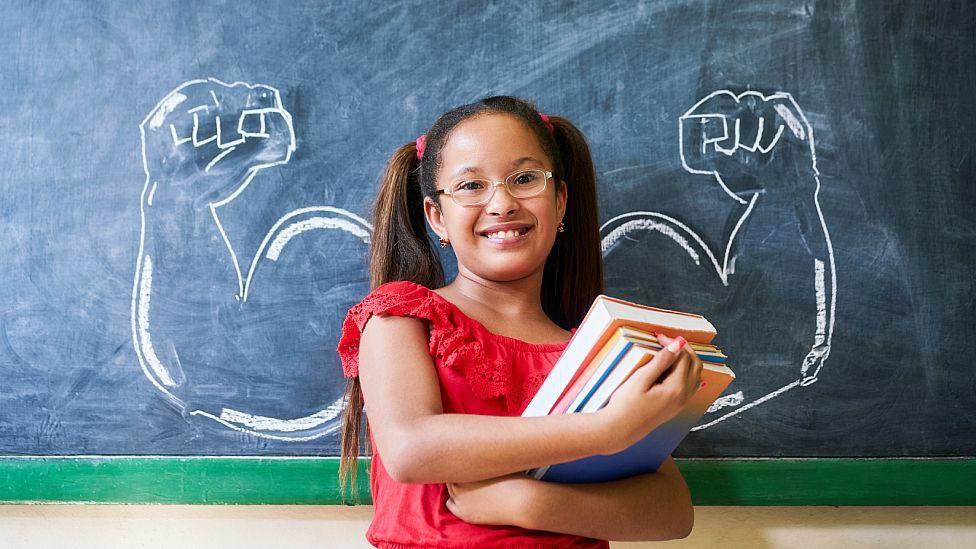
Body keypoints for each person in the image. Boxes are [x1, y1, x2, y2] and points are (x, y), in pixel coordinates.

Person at [336, 96, 702, 547]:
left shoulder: (597, 351)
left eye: (525, 179)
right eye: (470, 186)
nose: (502, 203)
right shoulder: (402, 316)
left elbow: (671, 512)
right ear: (437, 217)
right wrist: (605, 430)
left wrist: (528, 504)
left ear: (560, 202)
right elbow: (413, 448)